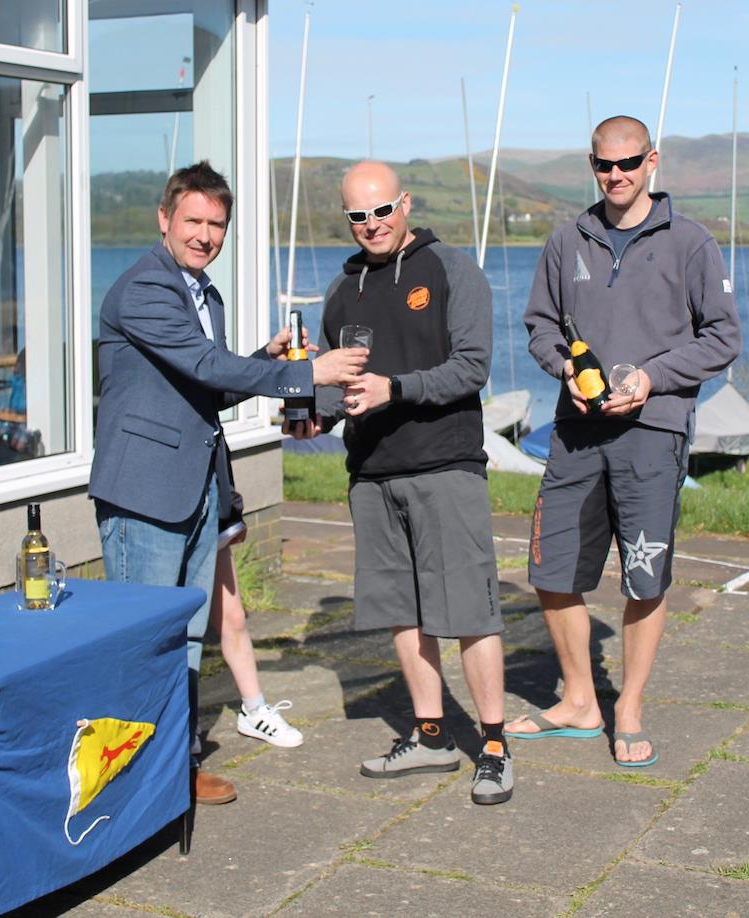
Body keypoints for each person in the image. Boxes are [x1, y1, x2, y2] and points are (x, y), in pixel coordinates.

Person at [89, 161, 365, 804]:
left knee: (185, 636)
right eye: (193, 220)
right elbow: (205, 361)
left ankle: (174, 770)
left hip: (196, 486)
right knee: (141, 641)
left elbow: (207, 381)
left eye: (217, 224)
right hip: (144, 493)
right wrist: (308, 371)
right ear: (165, 219)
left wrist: (269, 362)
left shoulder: (202, 293)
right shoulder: (144, 290)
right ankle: (124, 786)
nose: (205, 235)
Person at [507, 116, 741, 766]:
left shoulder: (690, 242)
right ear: (592, 165)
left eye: (629, 163)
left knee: (643, 579)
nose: (617, 176)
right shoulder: (565, 240)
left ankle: (628, 710)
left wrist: (652, 378)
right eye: (605, 166)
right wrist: (561, 370)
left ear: (652, 161)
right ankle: (580, 701)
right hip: (576, 432)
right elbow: (540, 326)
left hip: (653, 432)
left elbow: (722, 338)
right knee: (551, 571)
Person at [293, 160, 513, 806]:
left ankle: (495, 747)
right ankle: (431, 735)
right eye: (358, 216)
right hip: (371, 476)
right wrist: (316, 416)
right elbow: (341, 394)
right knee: (402, 611)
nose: (372, 225)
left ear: (406, 204)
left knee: (469, 610)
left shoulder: (452, 270)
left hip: (445, 465)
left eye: (382, 210)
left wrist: (398, 390)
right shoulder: (341, 292)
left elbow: (472, 367)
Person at [207, 492, 303, 750]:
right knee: (178, 629)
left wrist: (231, 510)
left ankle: (254, 710)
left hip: (208, 512)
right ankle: (181, 726)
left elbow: (218, 457)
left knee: (234, 619)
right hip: (167, 515)